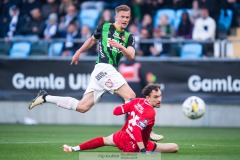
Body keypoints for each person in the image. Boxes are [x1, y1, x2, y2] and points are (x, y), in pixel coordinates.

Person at [28, 5, 162, 141]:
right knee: (131, 96)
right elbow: (92, 40)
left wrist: (120, 46)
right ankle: (144, 130)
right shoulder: (104, 27)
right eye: (122, 16)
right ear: (116, 17)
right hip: (104, 68)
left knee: (82, 106)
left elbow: (131, 55)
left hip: (104, 71)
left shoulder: (129, 37)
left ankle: (45, 97)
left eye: (127, 17)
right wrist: (78, 52)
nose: (125, 19)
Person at [63, 84, 179, 153]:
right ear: (148, 97)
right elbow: (136, 130)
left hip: (122, 135)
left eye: (160, 96)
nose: (159, 99)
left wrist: (127, 105)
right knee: (168, 150)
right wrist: (143, 151)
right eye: (156, 97)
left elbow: (116, 111)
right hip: (134, 144)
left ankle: (74, 149)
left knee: (174, 147)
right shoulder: (150, 112)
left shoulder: (137, 101)